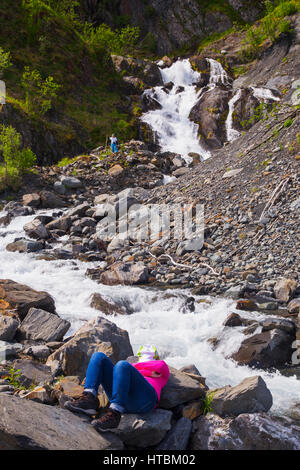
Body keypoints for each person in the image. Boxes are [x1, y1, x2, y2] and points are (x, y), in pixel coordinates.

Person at [64, 344, 170, 433]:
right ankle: (88, 399)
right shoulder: (133, 367)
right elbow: (121, 372)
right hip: (122, 398)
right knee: (98, 356)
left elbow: (160, 367)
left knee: (122, 365)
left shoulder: (161, 368)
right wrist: (146, 371)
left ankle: (114, 415)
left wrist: (140, 369)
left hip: (145, 400)